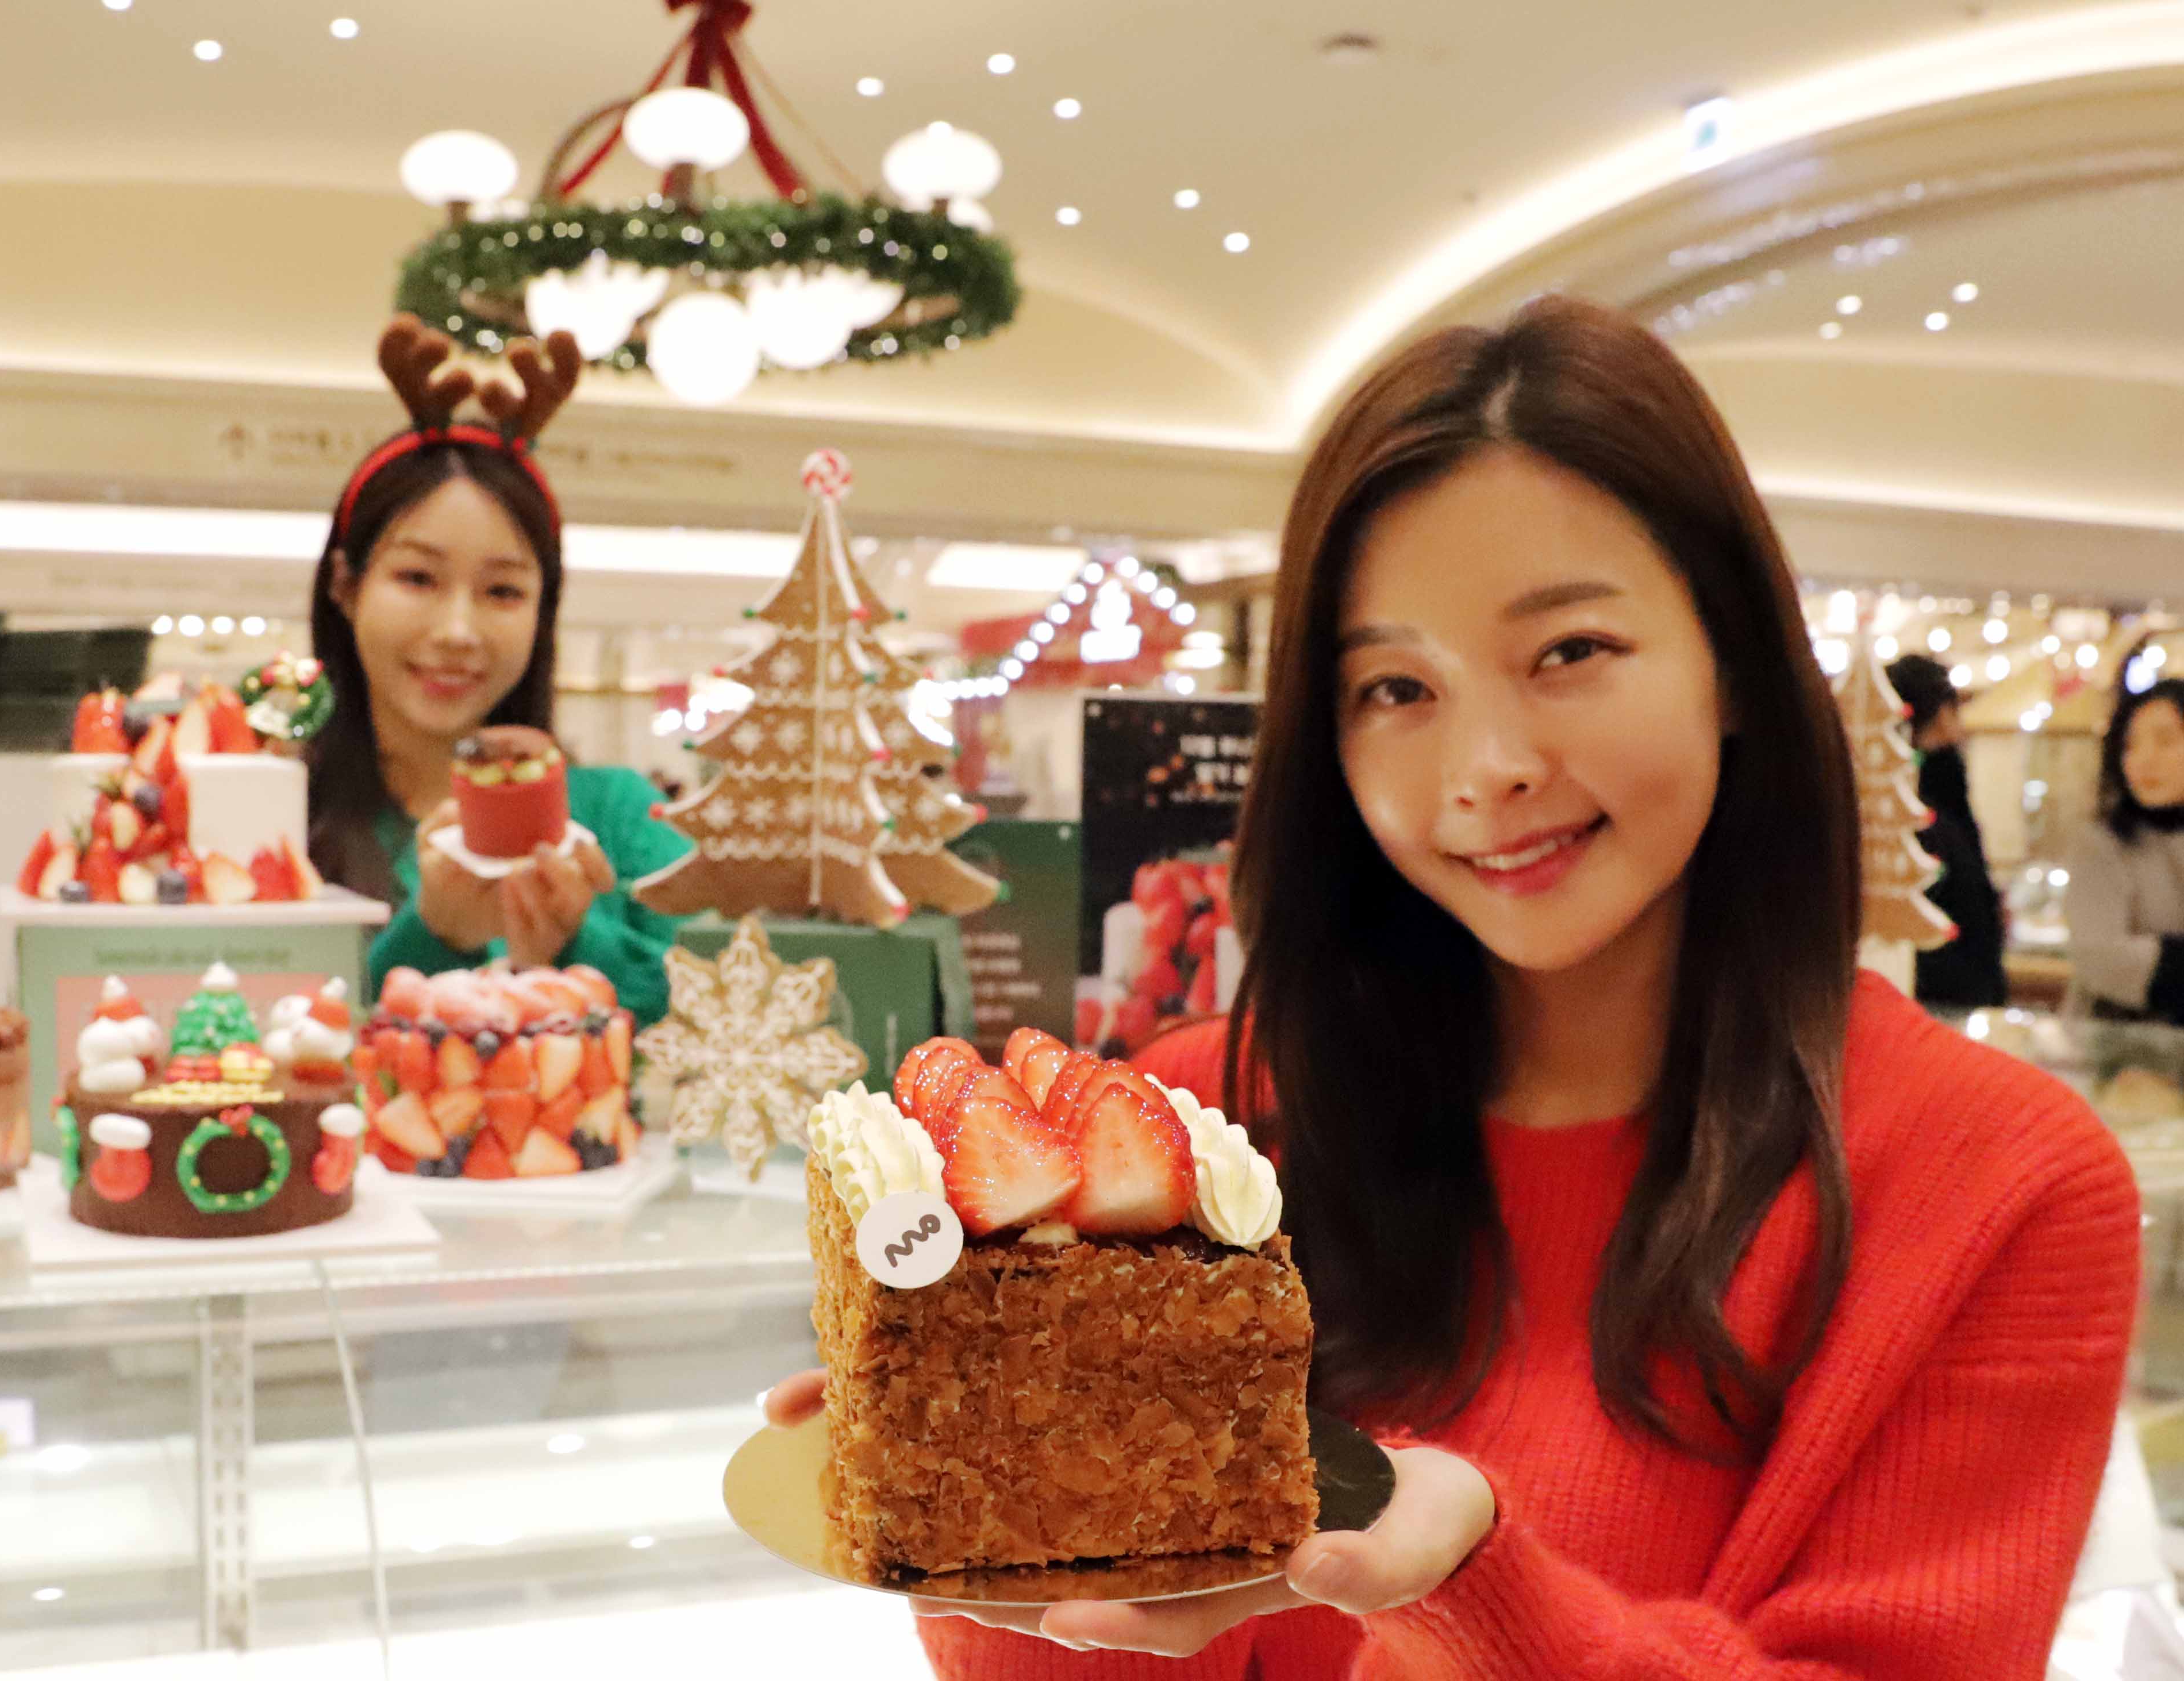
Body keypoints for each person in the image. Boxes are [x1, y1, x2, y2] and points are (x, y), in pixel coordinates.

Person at [763, 298, 2136, 1678]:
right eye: (1395, 687)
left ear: (1731, 662)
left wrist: (1481, 1594)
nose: (1486, 768)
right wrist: (984, 1503)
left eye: (1569, 652)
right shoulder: (1196, 1126)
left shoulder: (1997, 1181)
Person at [305, 316, 689, 1017]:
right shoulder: (276, 817)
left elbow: (719, 1019)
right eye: (418, 578)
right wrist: (434, 936)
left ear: (543, 612)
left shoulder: (621, 816)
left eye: (503, 591)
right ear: (346, 586)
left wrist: (575, 938)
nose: (458, 632)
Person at [1882, 653, 2007, 1006]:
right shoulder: (1932, 809)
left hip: (1919, 994)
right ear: (1942, 714)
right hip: (1949, 998)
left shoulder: (1893, 799)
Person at [2066, 673, 2184, 1022]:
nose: (2145, 760)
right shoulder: (2102, 842)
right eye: (2130, 745)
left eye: (2166, 741)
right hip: (2115, 1039)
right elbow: (2098, 955)